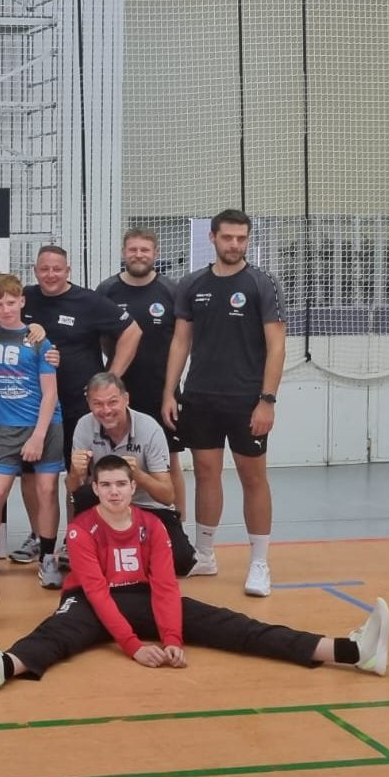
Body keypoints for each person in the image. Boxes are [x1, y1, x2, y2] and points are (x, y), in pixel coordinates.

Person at [0, 455, 389, 693]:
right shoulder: (82, 528)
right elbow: (97, 591)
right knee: (56, 634)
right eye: (105, 485)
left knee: (233, 626)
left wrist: (172, 639)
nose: (114, 492)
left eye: (121, 484)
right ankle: (1, 667)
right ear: (96, 490)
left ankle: (351, 650)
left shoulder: (153, 526)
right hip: (89, 601)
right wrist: (133, 647)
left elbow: (164, 586)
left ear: (132, 487)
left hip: (143, 597)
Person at [162, 209, 286, 597]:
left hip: (247, 400)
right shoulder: (192, 283)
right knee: (205, 473)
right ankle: (205, 554)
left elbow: (277, 346)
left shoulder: (262, 283)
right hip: (200, 397)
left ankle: (260, 563)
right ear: (213, 237)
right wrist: (169, 391)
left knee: (253, 477)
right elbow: (181, 341)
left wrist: (267, 400)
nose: (235, 244)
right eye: (228, 237)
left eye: (241, 238)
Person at [13, 246, 140, 567]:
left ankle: (75, 538)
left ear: (68, 271)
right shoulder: (26, 298)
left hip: (76, 406)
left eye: (57, 269)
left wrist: (111, 377)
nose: (50, 275)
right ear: (35, 270)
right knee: (31, 475)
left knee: (79, 474)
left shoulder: (88, 301)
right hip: (33, 406)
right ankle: (37, 536)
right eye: (44, 269)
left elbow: (132, 330)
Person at [0, 273, 65, 589]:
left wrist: (38, 436)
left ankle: (48, 558)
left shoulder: (39, 341)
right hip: (9, 429)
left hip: (45, 426)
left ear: (22, 301)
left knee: (46, 490)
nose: (6, 308)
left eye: (12, 302)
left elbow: (50, 394)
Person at [69, 372, 195, 577]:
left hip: (148, 508)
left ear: (126, 399)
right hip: (107, 506)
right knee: (84, 495)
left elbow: (167, 496)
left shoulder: (150, 429)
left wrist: (138, 475)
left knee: (181, 561)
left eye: (112, 402)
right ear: (89, 404)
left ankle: (124, 556)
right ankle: (101, 550)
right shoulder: (84, 425)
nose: (106, 410)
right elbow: (73, 488)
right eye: (98, 404)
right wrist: (75, 472)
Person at [97, 227, 184, 519]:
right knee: (113, 461)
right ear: (124, 252)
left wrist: (171, 392)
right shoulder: (107, 290)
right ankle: (116, 524)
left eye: (144, 250)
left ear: (155, 254)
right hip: (119, 390)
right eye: (133, 249)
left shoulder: (171, 290)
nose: (138, 255)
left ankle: (176, 524)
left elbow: (182, 341)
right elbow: (100, 337)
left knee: (170, 462)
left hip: (162, 390)